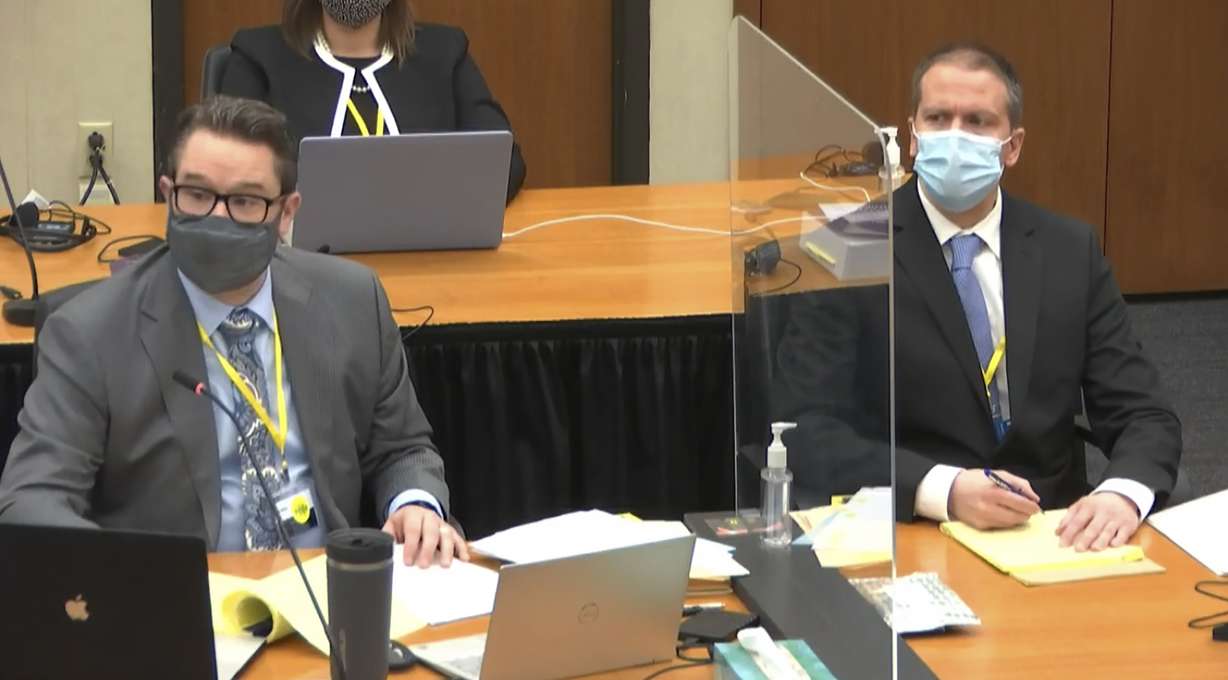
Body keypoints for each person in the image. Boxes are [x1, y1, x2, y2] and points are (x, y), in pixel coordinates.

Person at [0, 96, 467, 568]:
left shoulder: (351, 300)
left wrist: (415, 503)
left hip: (329, 592)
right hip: (182, 603)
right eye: (198, 195)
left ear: (287, 213)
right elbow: (31, 502)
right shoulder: (90, 333)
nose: (218, 217)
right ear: (167, 194)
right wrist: (131, 581)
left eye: (245, 202)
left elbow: (402, 448)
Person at [776, 43, 1181, 552]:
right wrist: (940, 489)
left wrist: (1122, 494)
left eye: (977, 122)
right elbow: (804, 431)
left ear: (1012, 146)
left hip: (1056, 536)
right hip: (913, 531)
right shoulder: (850, 243)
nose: (955, 136)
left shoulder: (1068, 250)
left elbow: (1144, 413)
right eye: (938, 118)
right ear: (913, 136)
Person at [220, 0, 527, 201]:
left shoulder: (446, 52)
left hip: (432, 259)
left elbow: (503, 161)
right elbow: (229, 165)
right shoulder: (258, 55)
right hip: (303, 262)